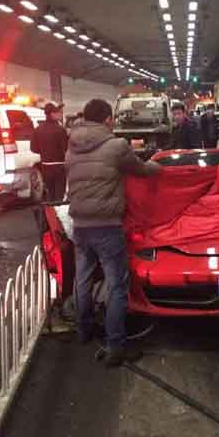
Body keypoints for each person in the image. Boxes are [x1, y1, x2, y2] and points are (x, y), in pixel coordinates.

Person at [66, 98, 162, 366]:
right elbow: (141, 170)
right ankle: (115, 345)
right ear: (108, 119)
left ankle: (84, 330)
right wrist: (160, 168)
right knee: (117, 286)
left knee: (82, 279)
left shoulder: (72, 145)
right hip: (107, 226)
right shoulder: (116, 146)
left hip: (80, 225)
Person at [30, 102, 69, 202]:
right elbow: (66, 148)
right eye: (58, 112)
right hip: (59, 166)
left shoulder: (37, 130)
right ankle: (58, 214)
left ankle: (50, 215)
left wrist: (44, 151)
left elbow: (33, 149)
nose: (60, 114)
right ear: (52, 114)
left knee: (50, 194)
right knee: (59, 194)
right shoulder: (60, 130)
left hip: (45, 166)